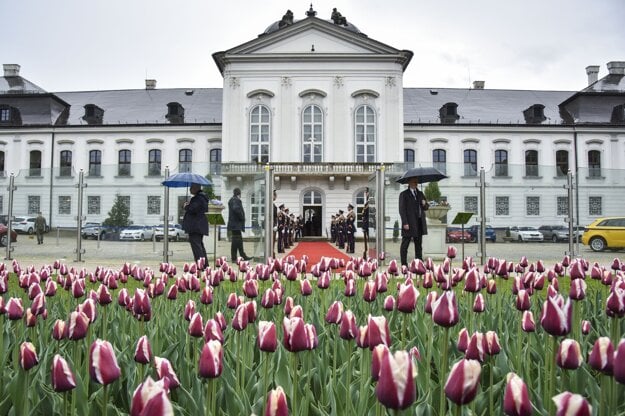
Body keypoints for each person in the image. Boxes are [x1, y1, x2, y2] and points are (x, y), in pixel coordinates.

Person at [398, 177, 429, 266]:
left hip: (419, 222)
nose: (416, 183)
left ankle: (418, 262)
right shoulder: (404, 194)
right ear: (409, 182)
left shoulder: (420, 193)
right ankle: (404, 264)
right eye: (414, 181)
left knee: (418, 244)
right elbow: (402, 210)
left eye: (417, 182)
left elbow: (426, 207)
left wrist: (424, 203)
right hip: (409, 223)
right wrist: (405, 222)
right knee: (405, 244)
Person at [182, 183, 209, 265]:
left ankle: (201, 265)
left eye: (191, 187)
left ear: (196, 188)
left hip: (195, 226)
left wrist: (186, 206)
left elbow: (193, 209)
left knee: (197, 247)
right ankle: (204, 264)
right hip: (199, 226)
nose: (190, 189)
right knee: (200, 246)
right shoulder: (202, 197)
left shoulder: (198, 198)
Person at [227, 187, 252, 262]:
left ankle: (242, 255)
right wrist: (242, 217)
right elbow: (236, 209)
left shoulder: (231, 200)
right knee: (235, 241)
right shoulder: (236, 200)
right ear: (239, 194)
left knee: (239, 240)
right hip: (236, 224)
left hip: (234, 224)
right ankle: (234, 258)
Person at [361, 189, 370, 257]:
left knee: (370, 239)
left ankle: (370, 252)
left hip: (369, 223)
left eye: (366, 192)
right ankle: (367, 251)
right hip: (366, 223)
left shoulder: (370, 202)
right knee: (367, 238)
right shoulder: (367, 202)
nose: (365, 194)